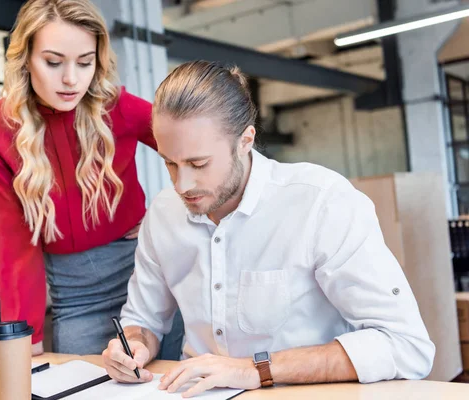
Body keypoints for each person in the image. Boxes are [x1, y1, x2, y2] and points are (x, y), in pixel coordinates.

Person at [101, 60, 435, 397]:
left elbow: (405, 345)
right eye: (170, 163)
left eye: (198, 164)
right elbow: (143, 321)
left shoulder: (322, 203)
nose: (182, 184)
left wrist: (254, 370)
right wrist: (132, 344)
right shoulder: (163, 213)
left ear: (246, 140)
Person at [0, 0, 182, 357]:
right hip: (75, 296)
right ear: (25, 59)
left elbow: (193, 151)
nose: (71, 79)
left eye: (85, 63)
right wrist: (28, 335)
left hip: (147, 281)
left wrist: (171, 211)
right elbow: (14, 241)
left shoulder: (118, 106)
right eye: (53, 62)